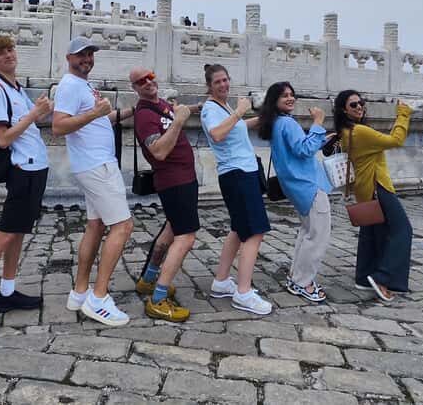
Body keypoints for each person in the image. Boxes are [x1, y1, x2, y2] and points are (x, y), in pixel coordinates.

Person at [0, 35, 53, 336]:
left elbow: (29, 123)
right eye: (0, 52)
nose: (8, 55)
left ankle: (7, 291)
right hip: (21, 169)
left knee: (17, 232)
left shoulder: (16, 88)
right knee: (4, 235)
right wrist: (34, 114)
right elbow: (2, 138)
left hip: (35, 167)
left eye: (10, 49)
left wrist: (40, 110)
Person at [52, 37, 135, 326]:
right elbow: (58, 126)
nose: (87, 59)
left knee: (96, 225)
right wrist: (94, 113)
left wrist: (131, 111)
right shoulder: (69, 86)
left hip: (95, 163)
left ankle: (79, 292)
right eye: (81, 55)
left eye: (90, 54)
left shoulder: (84, 85)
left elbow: (101, 119)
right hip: (97, 166)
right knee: (123, 226)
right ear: (68, 57)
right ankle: (99, 298)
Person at [199, 63, 272, 315]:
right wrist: (240, 111)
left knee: (238, 228)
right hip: (237, 174)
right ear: (209, 86)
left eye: (225, 80)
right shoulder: (211, 109)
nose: (223, 85)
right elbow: (217, 134)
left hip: (243, 172)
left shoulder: (224, 107)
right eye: (217, 82)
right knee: (254, 233)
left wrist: (263, 118)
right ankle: (243, 292)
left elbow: (236, 127)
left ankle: (221, 281)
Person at [130, 67, 199, 322]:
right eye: (141, 81)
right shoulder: (145, 115)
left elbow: (179, 112)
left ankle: (148, 280)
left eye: (150, 77)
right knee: (186, 237)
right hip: (174, 181)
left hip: (184, 178)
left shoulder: (161, 105)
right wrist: (179, 120)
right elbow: (158, 151)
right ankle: (158, 299)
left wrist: (199, 107)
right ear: (134, 88)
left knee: (170, 230)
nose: (148, 82)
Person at [333, 90, 413, 303]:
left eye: (361, 102)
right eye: (353, 105)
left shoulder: (345, 132)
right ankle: (382, 277)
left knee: (371, 233)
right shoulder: (359, 131)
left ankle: (363, 277)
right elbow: (396, 140)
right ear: (343, 110)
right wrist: (403, 113)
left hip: (364, 189)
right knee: (402, 230)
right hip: (378, 186)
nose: (359, 106)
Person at [258, 82, 333, 302]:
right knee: (317, 235)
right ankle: (303, 282)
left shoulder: (277, 122)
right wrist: (318, 122)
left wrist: (320, 138)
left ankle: (297, 276)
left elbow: (298, 148)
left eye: (292, 94)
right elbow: (304, 150)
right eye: (284, 96)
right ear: (275, 100)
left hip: (297, 186)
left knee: (307, 231)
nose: (290, 98)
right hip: (308, 185)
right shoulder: (287, 123)